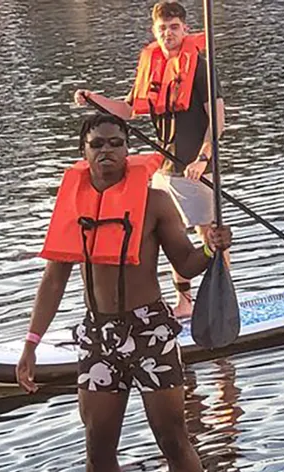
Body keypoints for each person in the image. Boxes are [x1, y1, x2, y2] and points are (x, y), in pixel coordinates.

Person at [16, 114, 230, 472]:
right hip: (97, 337)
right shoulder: (73, 203)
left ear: (128, 151)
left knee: (173, 439)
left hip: (149, 331)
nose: (107, 152)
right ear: (84, 151)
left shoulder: (154, 202)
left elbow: (188, 263)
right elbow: (53, 280)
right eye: (97, 144)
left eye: (116, 144)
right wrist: (31, 344)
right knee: (98, 445)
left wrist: (211, 247)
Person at [74, 0, 226, 319]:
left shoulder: (199, 66)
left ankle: (225, 298)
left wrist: (203, 158)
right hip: (165, 168)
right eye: (162, 29)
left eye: (174, 27)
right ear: (154, 31)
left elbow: (218, 120)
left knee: (209, 235)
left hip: (194, 168)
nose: (168, 34)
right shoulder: (151, 64)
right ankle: (185, 302)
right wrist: (93, 99)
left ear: (185, 28)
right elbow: (127, 110)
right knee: (172, 240)